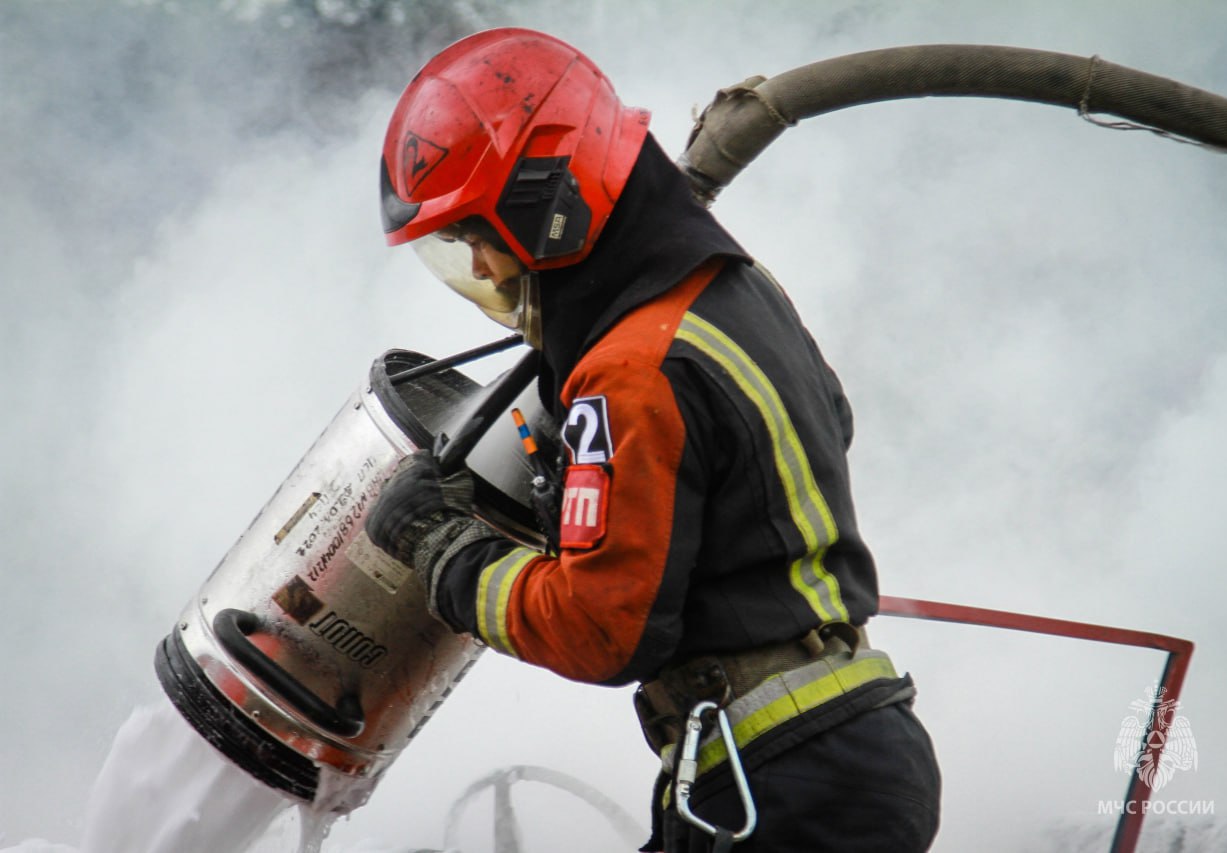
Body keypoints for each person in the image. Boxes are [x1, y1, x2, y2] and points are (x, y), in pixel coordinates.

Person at [368, 27, 941, 852]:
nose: (486, 270)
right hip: (835, 749)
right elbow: (827, 424)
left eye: (480, 236)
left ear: (547, 201)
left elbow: (604, 633)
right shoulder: (733, 288)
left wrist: (445, 550)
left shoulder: (630, 371)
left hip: (780, 779)